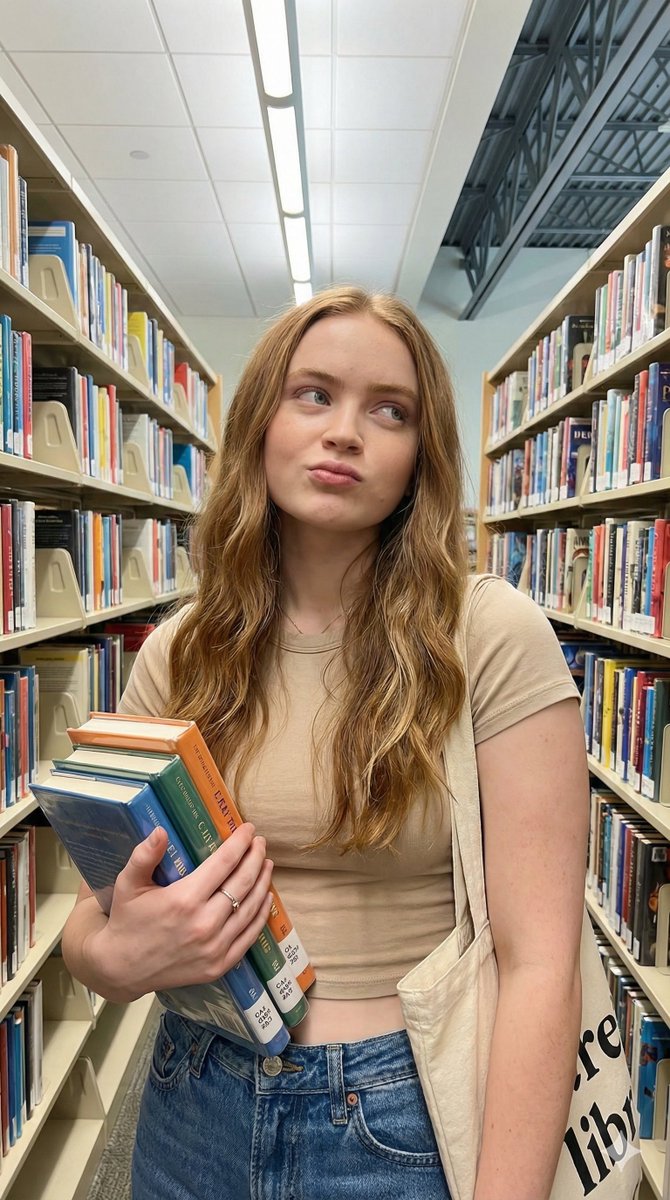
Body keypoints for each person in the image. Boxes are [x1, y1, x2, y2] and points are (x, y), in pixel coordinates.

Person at [61, 286, 589, 1200]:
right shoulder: (183, 649)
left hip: (399, 1114)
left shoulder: (486, 634)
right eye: (314, 394)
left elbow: (542, 962)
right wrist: (117, 958)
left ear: (421, 456)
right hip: (194, 1093)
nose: (345, 432)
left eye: (390, 411)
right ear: (260, 421)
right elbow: (89, 922)